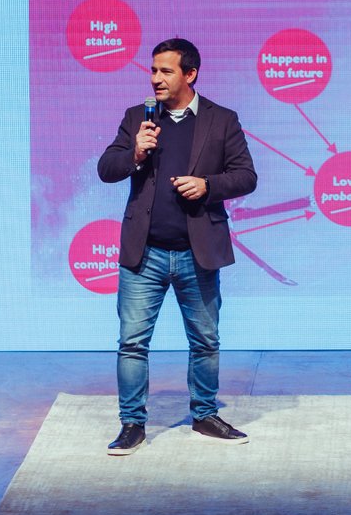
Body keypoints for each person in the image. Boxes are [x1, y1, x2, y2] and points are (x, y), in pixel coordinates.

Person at [96, 37, 258, 454]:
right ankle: (132, 424)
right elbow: (106, 168)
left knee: (205, 340)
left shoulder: (222, 120)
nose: (155, 78)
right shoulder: (138, 117)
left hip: (196, 254)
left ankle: (204, 414)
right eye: (153, 70)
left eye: (165, 71)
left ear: (190, 74)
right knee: (132, 343)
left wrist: (208, 185)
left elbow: (246, 176)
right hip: (144, 254)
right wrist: (135, 152)